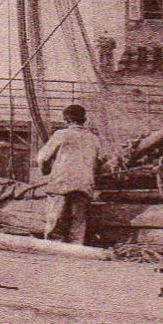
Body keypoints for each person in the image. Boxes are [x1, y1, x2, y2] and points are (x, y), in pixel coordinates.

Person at [36, 104, 101, 244]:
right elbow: (99, 162)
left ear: (66, 119)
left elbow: (42, 157)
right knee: (77, 226)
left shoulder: (61, 135)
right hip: (84, 185)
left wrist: (45, 170)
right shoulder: (94, 139)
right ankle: (75, 255)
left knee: (55, 221)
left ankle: (53, 251)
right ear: (84, 119)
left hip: (61, 183)